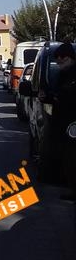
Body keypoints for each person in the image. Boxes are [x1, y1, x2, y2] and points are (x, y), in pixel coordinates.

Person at [52, 43, 76, 199]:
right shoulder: (62, 74)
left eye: (63, 57)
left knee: (72, 158)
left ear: (71, 57)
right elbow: (59, 95)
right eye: (57, 58)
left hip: (73, 123)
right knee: (68, 158)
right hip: (64, 122)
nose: (59, 60)